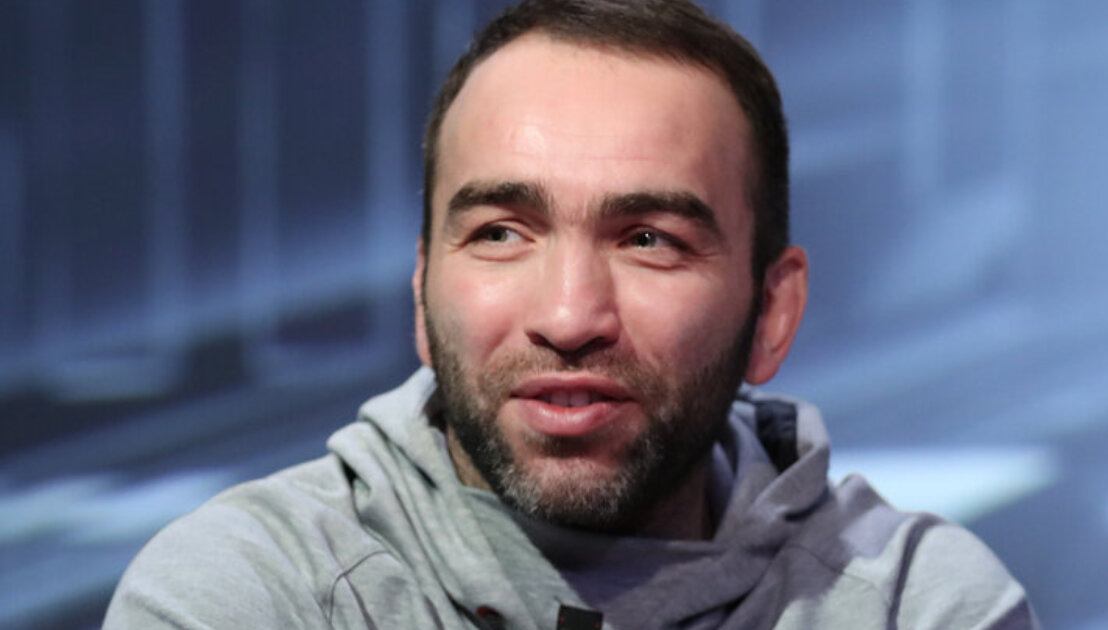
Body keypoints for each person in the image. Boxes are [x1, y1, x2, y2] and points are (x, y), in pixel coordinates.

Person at [104, 0, 1038, 628]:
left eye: (649, 240)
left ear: (771, 313)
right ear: (423, 296)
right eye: (502, 233)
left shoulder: (919, 607)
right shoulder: (250, 595)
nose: (568, 314)